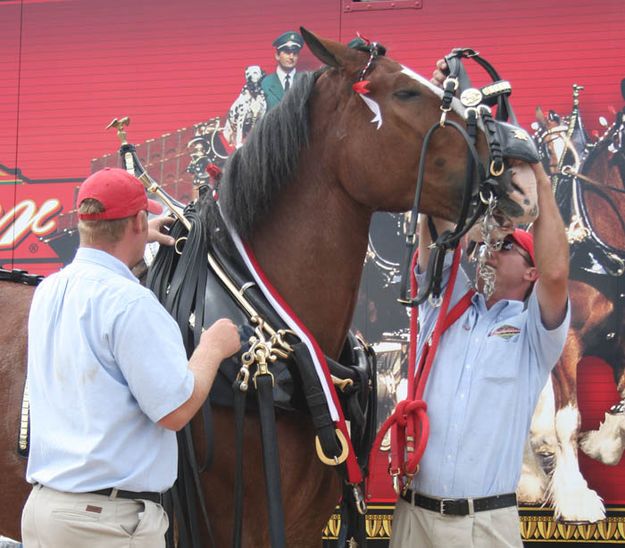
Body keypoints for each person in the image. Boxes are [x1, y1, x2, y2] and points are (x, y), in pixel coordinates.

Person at [389, 62, 571, 548]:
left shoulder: (535, 336)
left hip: (484, 527)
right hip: (414, 518)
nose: (496, 247)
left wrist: (539, 177)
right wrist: (448, 121)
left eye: (510, 246)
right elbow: (435, 225)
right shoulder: (443, 308)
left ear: (529, 273)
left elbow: (557, 272)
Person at [21, 167, 241, 547]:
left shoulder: (49, 290)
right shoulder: (130, 302)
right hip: (104, 527)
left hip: (47, 513)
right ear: (139, 221)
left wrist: (134, 236)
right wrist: (213, 348)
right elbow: (175, 410)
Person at [261, 30, 304, 110]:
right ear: (277, 56)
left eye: (295, 53)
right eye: (287, 52)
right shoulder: (265, 84)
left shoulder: (304, 82)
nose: (291, 57)